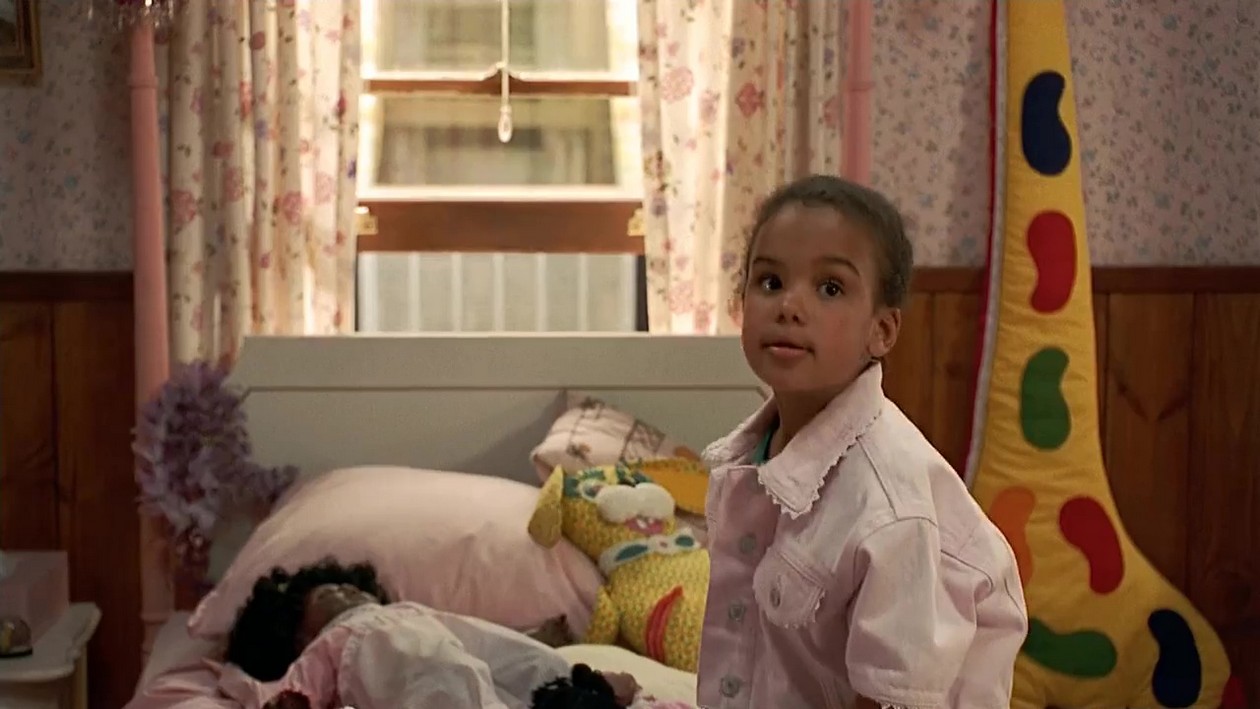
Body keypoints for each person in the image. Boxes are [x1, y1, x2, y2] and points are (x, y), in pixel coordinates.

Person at [697, 174, 1028, 708]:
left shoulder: (889, 506)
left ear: (882, 331)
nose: (789, 306)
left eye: (830, 288)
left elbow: (890, 694)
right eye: (770, 282)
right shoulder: (755, 457)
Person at [221, 558, 576, 709]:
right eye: (330, 595)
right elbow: (295, 691)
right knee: (445, 686)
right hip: (424, 687)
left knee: (534, 669)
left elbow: (479, 639)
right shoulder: (329, 646)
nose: (348, 590)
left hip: (458, 664)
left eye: (350, 587)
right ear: (301, 636)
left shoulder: (410, 613)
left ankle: (573, 690)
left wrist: (532, 641)